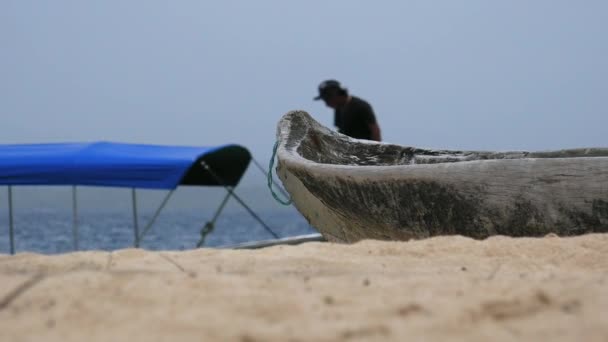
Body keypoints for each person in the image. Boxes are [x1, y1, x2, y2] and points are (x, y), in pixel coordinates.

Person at [314, 79, 381, 141]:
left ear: (337, 94)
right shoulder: (339, 109)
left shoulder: (361, 106)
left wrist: (376, 152)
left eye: (327, 99)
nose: (326, 104)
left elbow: (375, 130)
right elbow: (341, 131)